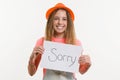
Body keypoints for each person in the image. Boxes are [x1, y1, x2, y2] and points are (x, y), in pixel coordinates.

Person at [28, 3, 91, 80]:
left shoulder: (76, 43)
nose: (60, 22)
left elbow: (81, 71)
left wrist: (88, 64)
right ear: (51, 21)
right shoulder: (42, 42)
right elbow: (31, 73)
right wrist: (31, 59)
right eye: (56, 18)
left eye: (64, 19)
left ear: (68, 22)